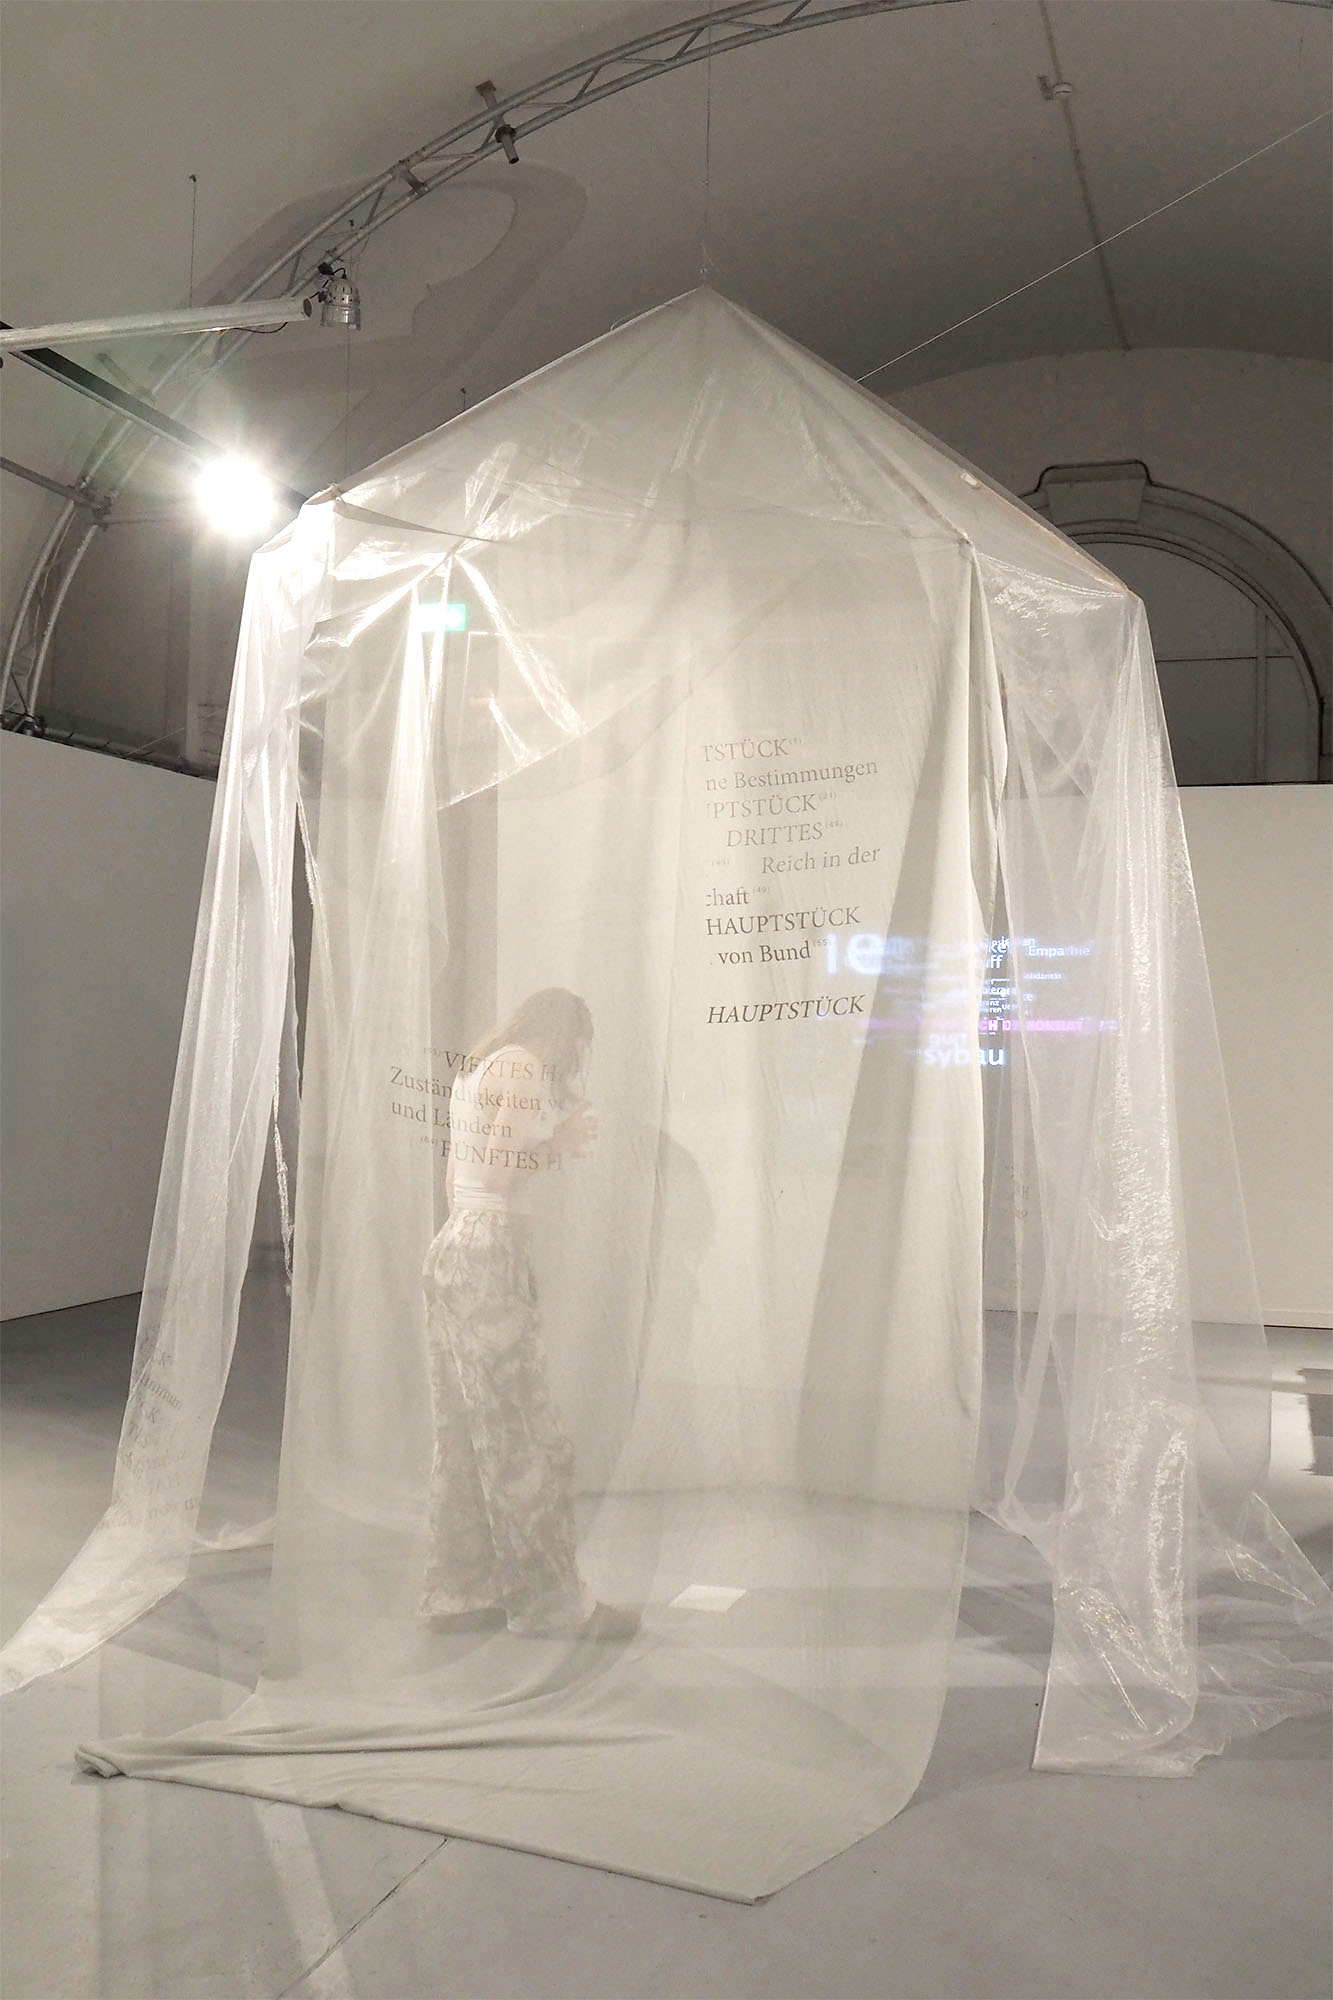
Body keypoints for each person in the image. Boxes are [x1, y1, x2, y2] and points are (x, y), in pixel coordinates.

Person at [419, 988, 637, 1642]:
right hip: (487, 1256)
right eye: (580, 1047)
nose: (577, 1062)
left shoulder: (478, 1070)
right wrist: (560, 1141)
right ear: (567, 1034)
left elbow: (457, 1181)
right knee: (530, 1441)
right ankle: (552, 1606)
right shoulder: (521, 1068)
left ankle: (462, 1592)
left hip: (456, 1248)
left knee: (466, 1436)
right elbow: (502, 1173)